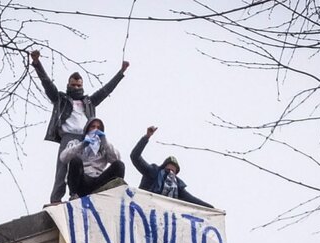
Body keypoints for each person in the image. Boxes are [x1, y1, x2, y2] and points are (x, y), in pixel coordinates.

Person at [30, 50, 130, 204]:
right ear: (69, 85)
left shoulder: (88, 101)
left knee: (90, 160)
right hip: (69, 135)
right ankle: (57, 198)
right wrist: (37, 63)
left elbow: (105, 91)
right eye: (73, 85)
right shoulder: (61, 98)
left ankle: (94, 189)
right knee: (63, 166)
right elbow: (47, 84)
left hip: (86, 135)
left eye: (79, 85)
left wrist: (120, 73)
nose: (76, 87)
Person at [130, 126, 214, 208]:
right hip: (143, 207)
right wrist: (146, 137)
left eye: (174, 171)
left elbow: (192, 200)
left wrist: (211, 209)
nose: (171, 173)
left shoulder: (177, 186)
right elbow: (135, 156)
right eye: (168, 169)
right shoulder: (153, 172)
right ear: (163, 167)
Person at [60, 118, 125, 198]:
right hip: (82, 181)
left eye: (98, 128)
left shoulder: (104, 147)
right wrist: (82, 145)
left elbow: (116, 160)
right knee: (75, 161)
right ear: (87, 129)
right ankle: (74, 195)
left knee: (119, 165)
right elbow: (63, 158)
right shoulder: (76, 143)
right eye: (93, 127)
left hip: (98, 181)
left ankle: (116, 195)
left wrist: (104, 142)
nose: (95, 130)